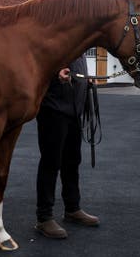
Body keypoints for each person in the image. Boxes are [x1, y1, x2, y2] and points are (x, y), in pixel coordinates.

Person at [34, 54, 99, 239]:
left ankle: (72, 209)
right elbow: (38, 65)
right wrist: (55, 73)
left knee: (72, 161)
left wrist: (86, 79)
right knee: (51, 162)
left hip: (73, 110)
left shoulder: (79, 43)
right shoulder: (53, 37)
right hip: (53, 108)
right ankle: (44, 217)